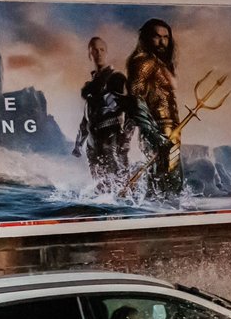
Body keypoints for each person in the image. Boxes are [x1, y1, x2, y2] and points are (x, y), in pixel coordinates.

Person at [126, 18, 183, 200]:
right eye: (157, 37)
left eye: (166, 37)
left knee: (166, 175)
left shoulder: (160, 63)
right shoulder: (145, 62)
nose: (162, 42)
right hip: (159, 127)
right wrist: (152, 133)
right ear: (146, 38)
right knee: (168, 176)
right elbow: (135, 98)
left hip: (169, 127)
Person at [72, 37, 132, 193]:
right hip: (92, 143)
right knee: (100, 188)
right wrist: (78, 144)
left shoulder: (117, 79)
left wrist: (125, 140)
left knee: (119, 184)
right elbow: (87, 117)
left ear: (106, 52)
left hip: (111, 139)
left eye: (101, 50)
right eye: (94, 50)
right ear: (89, 53)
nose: (98, 53)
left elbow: (131, 110)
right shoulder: (90, 86)